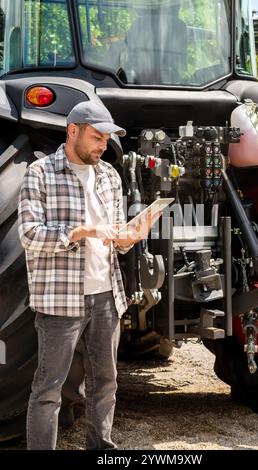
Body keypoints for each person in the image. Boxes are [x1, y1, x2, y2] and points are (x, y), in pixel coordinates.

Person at [18, 100, 161, 450]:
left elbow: (114, 240)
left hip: (106, 298)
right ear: (73, 131)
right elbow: (30, 234)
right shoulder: (40, 173)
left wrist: (130, 236)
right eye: (97, 137)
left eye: (106, 139)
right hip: (59, 300)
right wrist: (83, 231)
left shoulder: (110, 176)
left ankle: (101, 450)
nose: (102, 146)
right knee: (49, 390)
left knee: (106, 384)